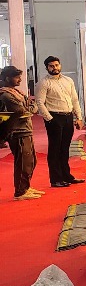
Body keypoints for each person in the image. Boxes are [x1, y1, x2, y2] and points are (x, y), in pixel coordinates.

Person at [34, 55, 84, 188]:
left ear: (60, 65)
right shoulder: (43, 83)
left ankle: (66, 176)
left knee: (65, 148)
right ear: (47, 68)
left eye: (56, 65)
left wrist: (78, 117)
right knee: (55, 149)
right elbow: (39, 102)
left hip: (68, 117)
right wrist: (50, 119)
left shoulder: (68, 80)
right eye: (51, 66)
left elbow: (74, 100)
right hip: (54, 117)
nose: (54, 68)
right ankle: (56, 179)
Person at [0, 66, 41, 201]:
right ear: (7, 78)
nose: (20, 80)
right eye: (16, 77)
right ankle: (20, 191)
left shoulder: (16, 92)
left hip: (26, 129)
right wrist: (31, 107)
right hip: (17, 131)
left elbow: (31, 106)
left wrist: (30, 107)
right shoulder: (6, 95)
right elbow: (22, 111)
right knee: (24, 162)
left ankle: (25, 187)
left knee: (31, 160)